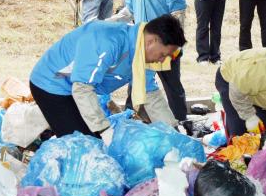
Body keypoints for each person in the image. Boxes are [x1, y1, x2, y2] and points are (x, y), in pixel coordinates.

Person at [28, 15, 185, 138]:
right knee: (83, 146)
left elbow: (151, 94)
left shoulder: (141, 55)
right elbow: (82, 89)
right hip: (50, 84)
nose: (162, 60)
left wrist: (173, 131)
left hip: (75, 88)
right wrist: (103, 129)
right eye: (163, 54)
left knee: (95, 141)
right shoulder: (108, 40)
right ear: (152, 41)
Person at [109, 0, 188, 121]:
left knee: (172, 87)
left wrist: (173, 46)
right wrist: (106, 23)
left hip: (165, 48)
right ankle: (132, 120)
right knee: (136, 84)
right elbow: (128, 13)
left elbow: (178, 16)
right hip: (141, 48)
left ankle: (181, 122)